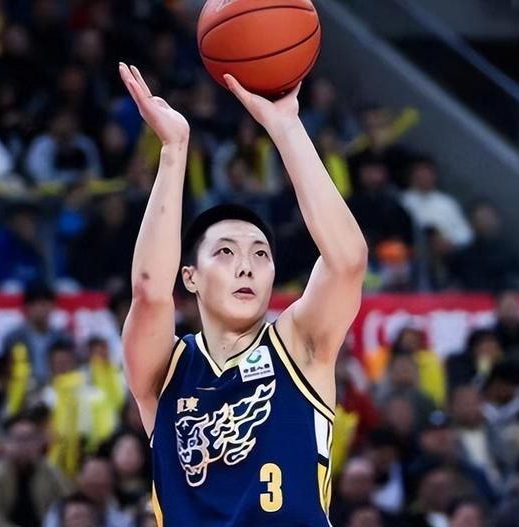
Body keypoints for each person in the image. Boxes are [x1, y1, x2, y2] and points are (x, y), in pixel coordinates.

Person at [118, 63, 367, 527]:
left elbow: (348, 261)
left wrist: (287, 128)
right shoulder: (165, 370)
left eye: (260, 254)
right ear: (190, 277)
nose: (246, 265)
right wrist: (174, 150)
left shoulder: (299, 344)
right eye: (225, 252)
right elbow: (149, 292)